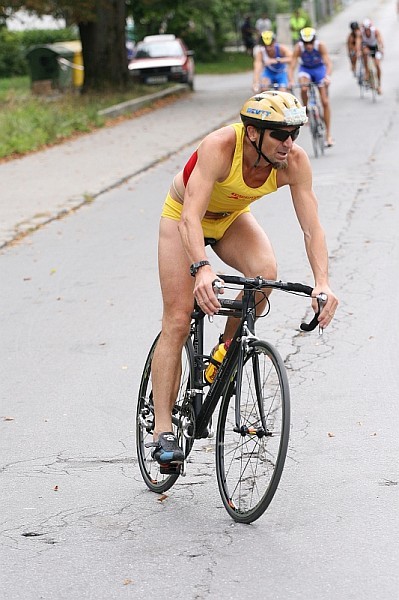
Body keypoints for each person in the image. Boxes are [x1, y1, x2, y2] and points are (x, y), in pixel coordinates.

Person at [149, 90, 339, 466]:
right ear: (253, 133)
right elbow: (190, 218)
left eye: (294, 135)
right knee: (177, 319)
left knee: (265, 276)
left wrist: (322, 282)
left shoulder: (293, 163)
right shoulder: (220, 147)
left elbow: (311, 228)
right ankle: (163, 429)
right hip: (182, 219)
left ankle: (224, 350)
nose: (289, 144)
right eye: (280, 135)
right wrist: (201, 269)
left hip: (229, 219)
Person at [288, 27, 334, 147]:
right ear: (302, 42)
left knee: (325, 101)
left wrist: (327, 77)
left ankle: (328, 135)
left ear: (314, 41)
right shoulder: (298, 48)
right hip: (306, 70)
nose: (309, 46)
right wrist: (291, 80)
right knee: (303, 87)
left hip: (319, 69)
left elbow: (328, 63)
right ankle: (306, 110)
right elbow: (292, 65)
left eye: (311, 43)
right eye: (306, 43)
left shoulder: (320, 46)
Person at [359, 18, 384, 94]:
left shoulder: (375, 31)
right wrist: (360, 50)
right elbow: (359, 43)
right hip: (366, 47)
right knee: (365, 54)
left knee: (377, 65)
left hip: (375, 47)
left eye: (368, 29)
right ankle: (367, 72)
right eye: (365, 29)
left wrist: (381, 48)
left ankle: (379, 85)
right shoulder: (361, 33)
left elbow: (380, 40)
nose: (367, 31)